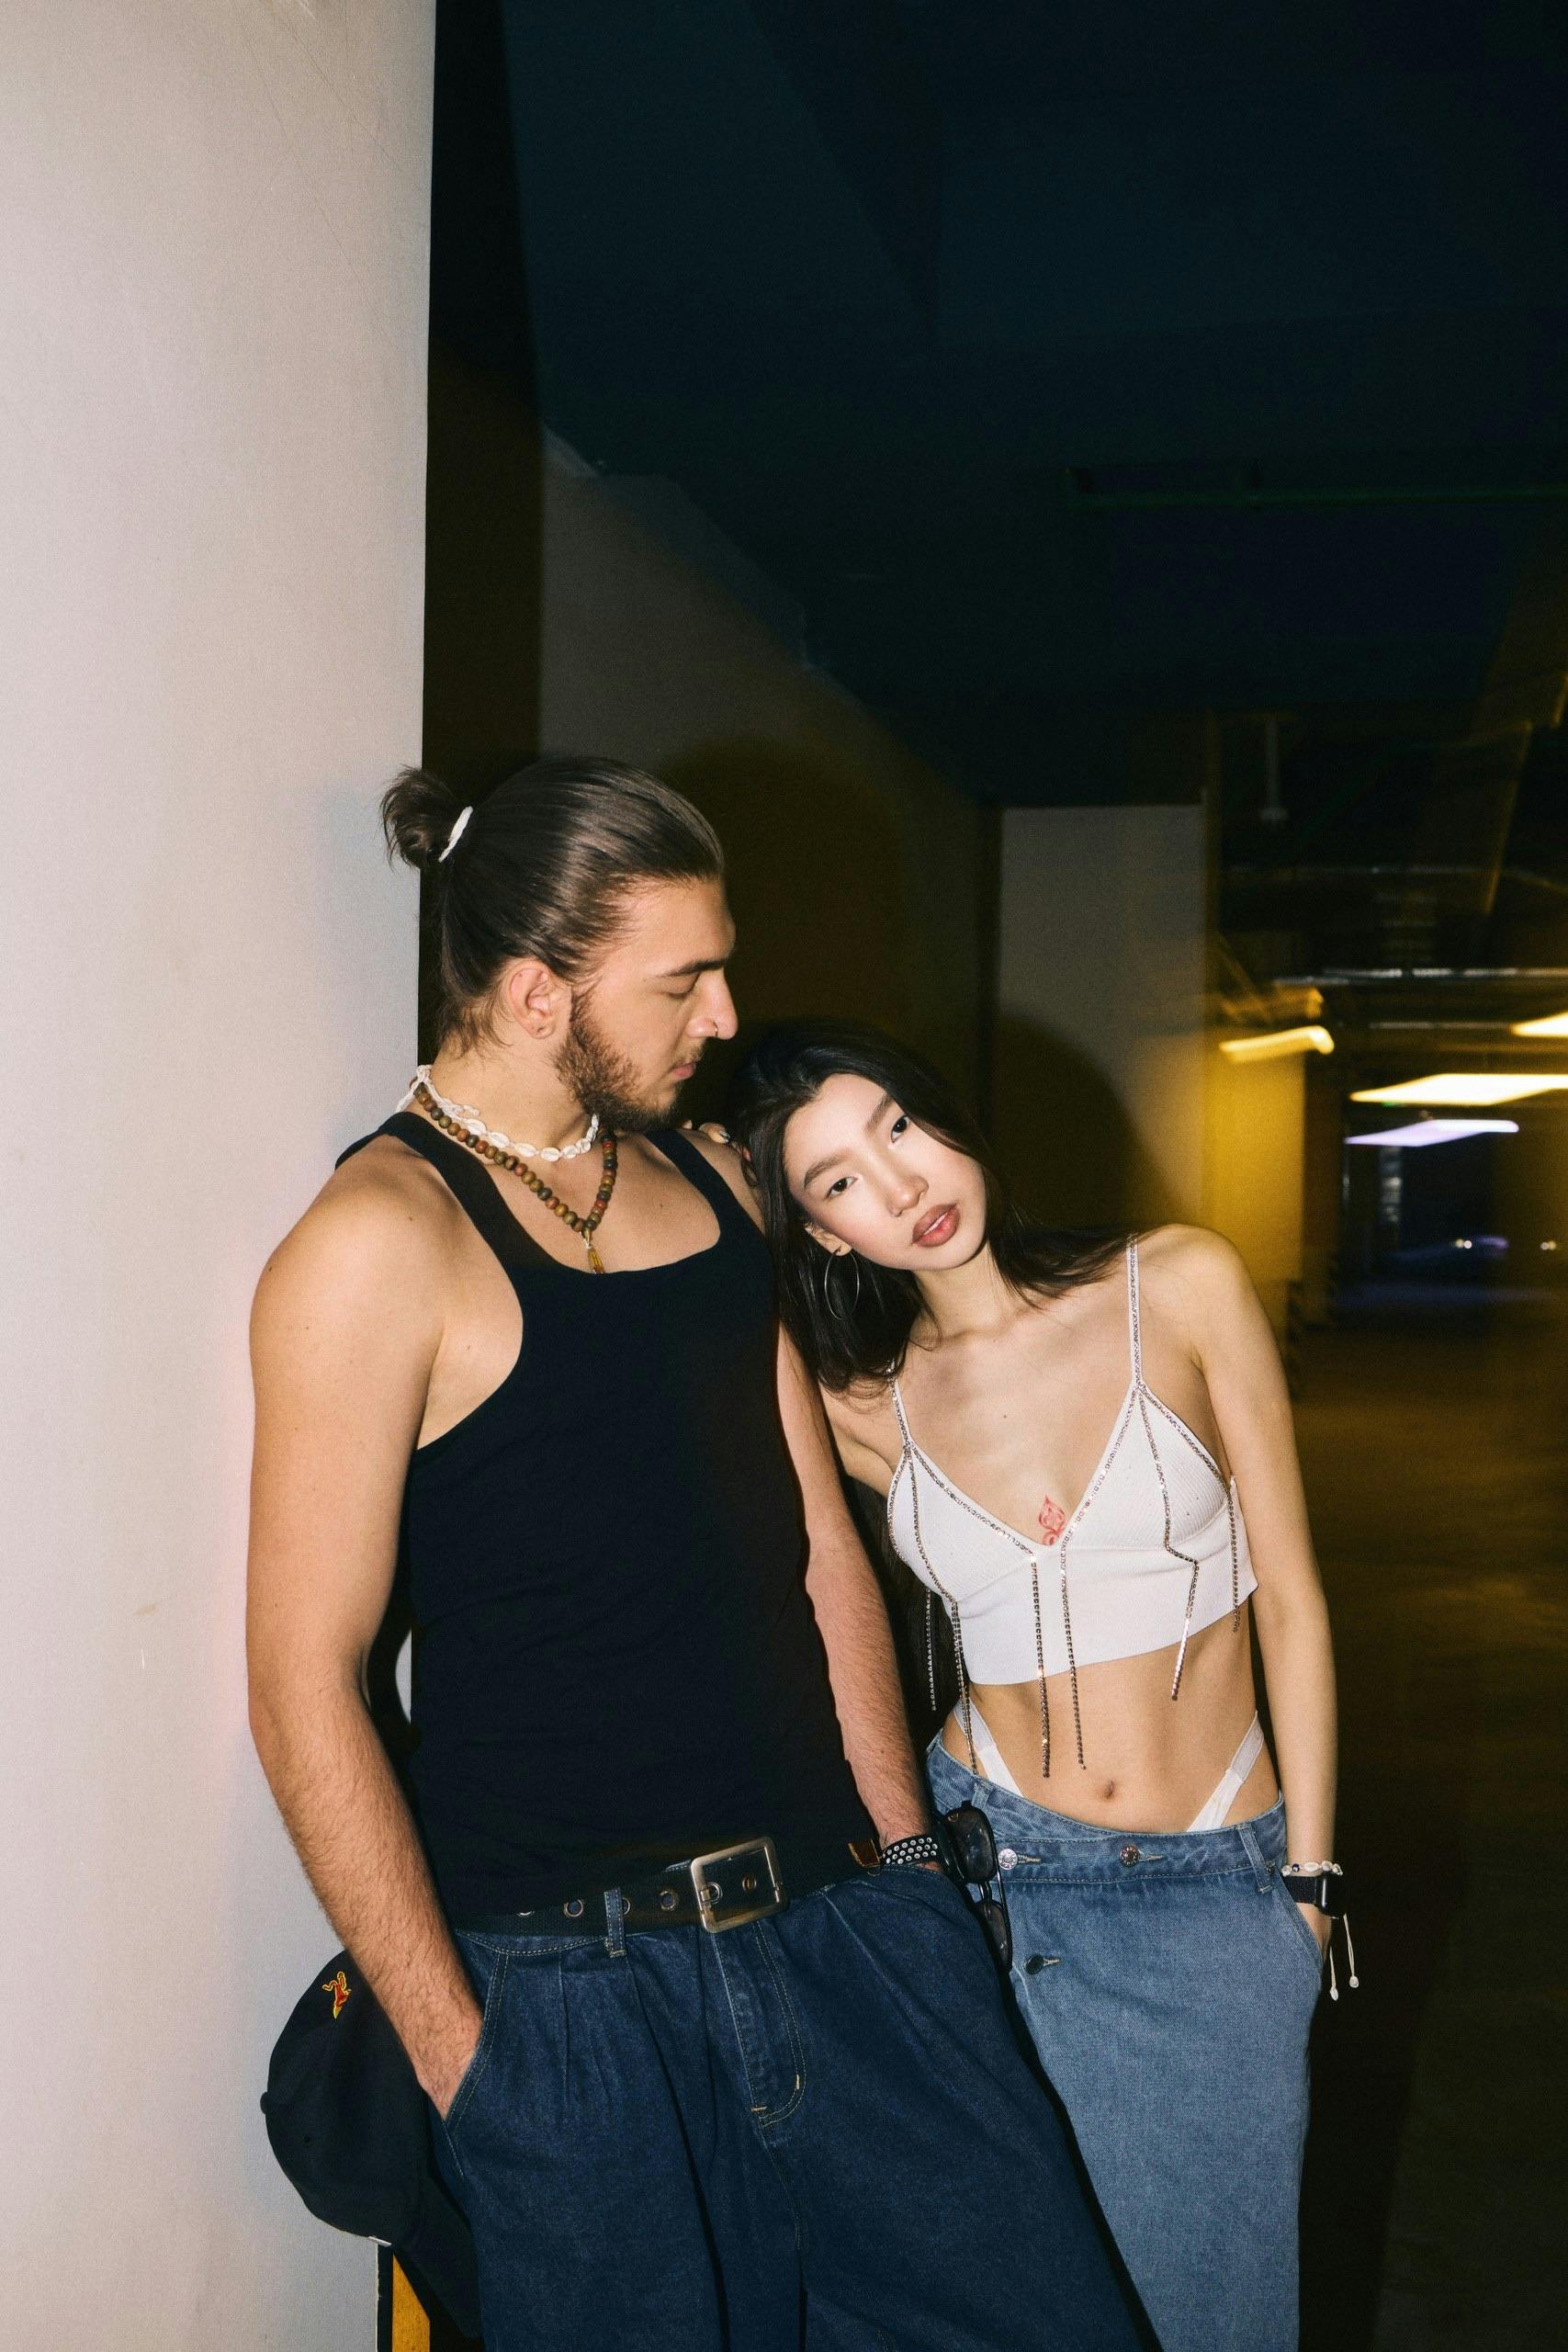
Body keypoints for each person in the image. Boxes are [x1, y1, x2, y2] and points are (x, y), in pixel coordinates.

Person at [246, 758, 1150, 2352]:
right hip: (570, 2004)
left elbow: (817, 1543)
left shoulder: (712, 1188)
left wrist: (908, 1869)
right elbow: (301, 1683)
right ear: (537, 994)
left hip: (847, 1933)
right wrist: (468, 2059)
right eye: (686, 981)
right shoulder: (377, 1245)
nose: (728, 1018)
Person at [728, 1020, 1348, 2352]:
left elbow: (1293, 1601)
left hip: (1213, 1887)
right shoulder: (858, 1402)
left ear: (944, 1117)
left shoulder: (1179, 1284)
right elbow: (687, 1323)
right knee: (1014, 2306)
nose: (899, 1186)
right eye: (836, 1181)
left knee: (1217, 2314)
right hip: (997, 1886)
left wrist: (1309, 1884)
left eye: (895, 1125)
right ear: (823, 1234)